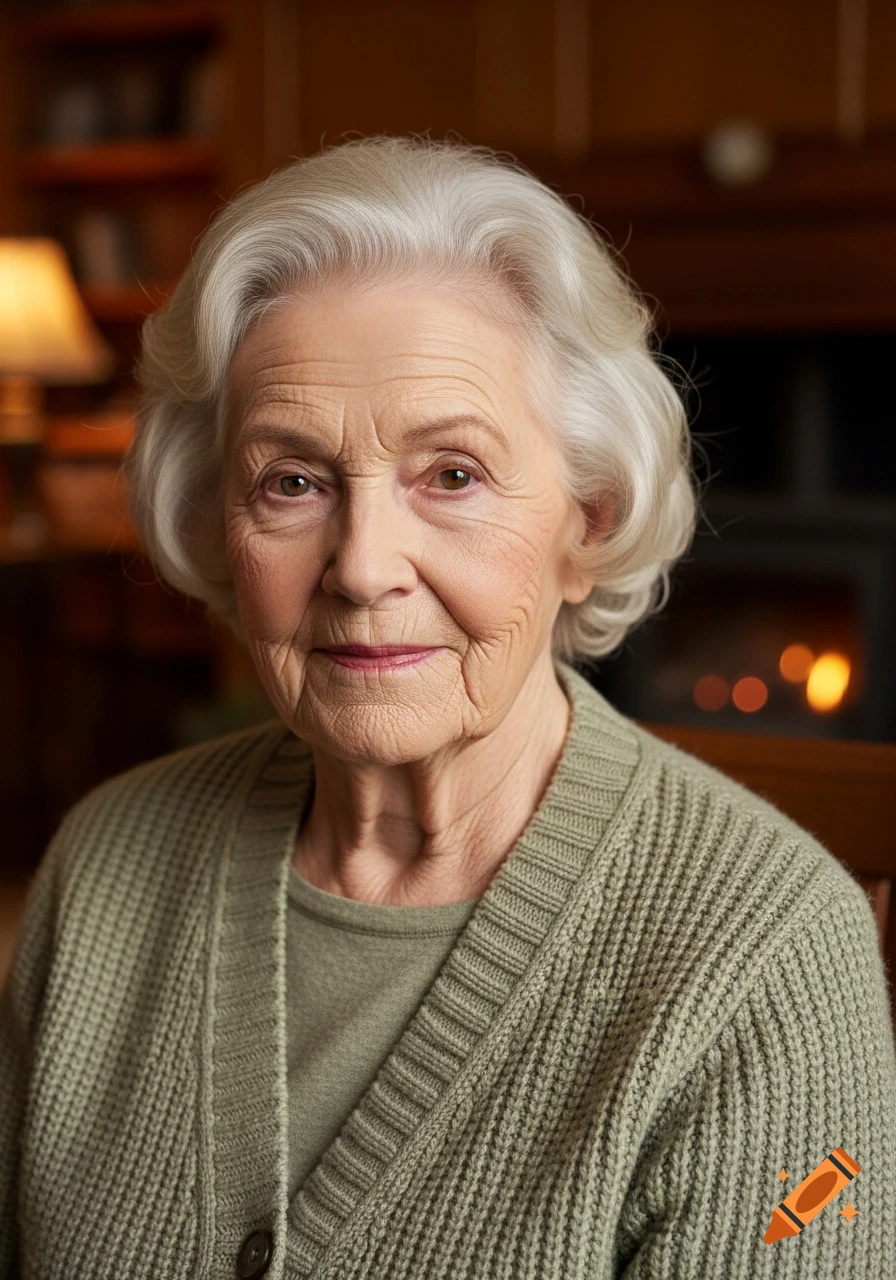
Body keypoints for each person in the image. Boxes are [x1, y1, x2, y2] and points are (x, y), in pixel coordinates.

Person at [1, 135, 894, 1280]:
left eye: (452, 474)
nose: (364, 565)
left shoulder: (761, 958)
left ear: (587, 521)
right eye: (292, 480)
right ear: (212, 526)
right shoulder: (104, 864)